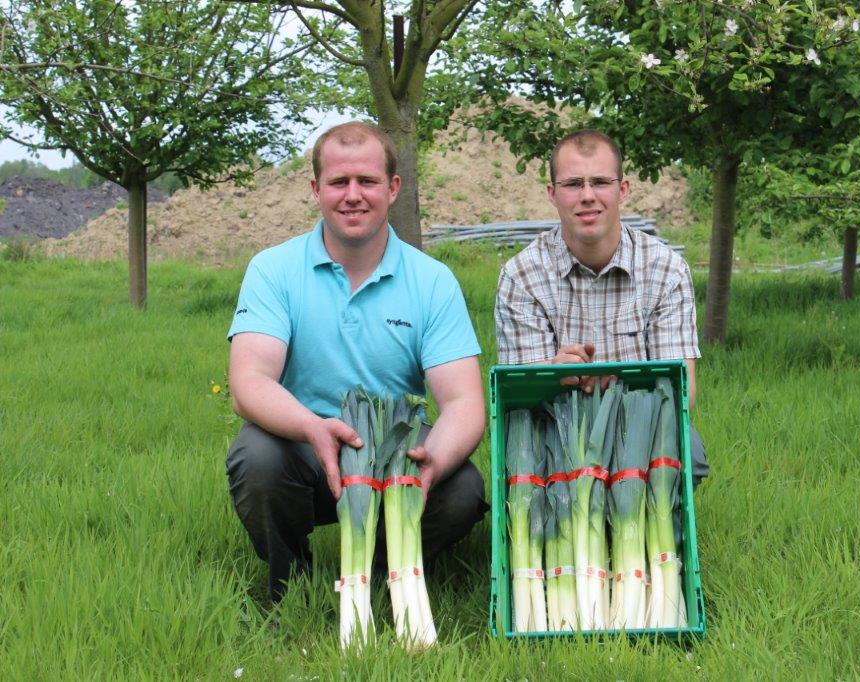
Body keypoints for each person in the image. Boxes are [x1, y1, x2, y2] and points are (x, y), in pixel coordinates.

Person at [225, 122, 487, 601]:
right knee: (256, 458)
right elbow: (249, 381)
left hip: (394, 451)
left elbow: (465, 401)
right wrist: (311, 428)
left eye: (366, 182)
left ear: (392, 188)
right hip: (303, 446)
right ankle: (292, 583)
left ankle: (386, 573)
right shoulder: (273, 269)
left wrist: (433, 461)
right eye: (338, 182)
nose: (352, 196)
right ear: (315, 190)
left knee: (464, 487)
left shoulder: (432, 280)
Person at [495, 129, 709, 486]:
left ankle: (650, 533)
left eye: (600, 182)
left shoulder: (665, 269)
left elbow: (680, 391)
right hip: (557, 424)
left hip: (640, 421)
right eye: (573, 184)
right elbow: (518, 400)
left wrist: (620, 386)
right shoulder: (521, 276)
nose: (588, 196)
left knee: (690, 453)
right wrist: (550, 372)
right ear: (552, 194)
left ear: (623, 189)